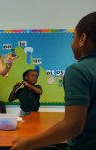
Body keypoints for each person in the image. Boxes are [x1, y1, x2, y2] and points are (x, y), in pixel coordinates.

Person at [11, 11, 96, 150]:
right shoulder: (21, 89)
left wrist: (29, 143)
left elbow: (73, 126)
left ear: (82, 39)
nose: (71, 43)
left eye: (73, 37)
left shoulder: (78, 71)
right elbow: (11, 97)